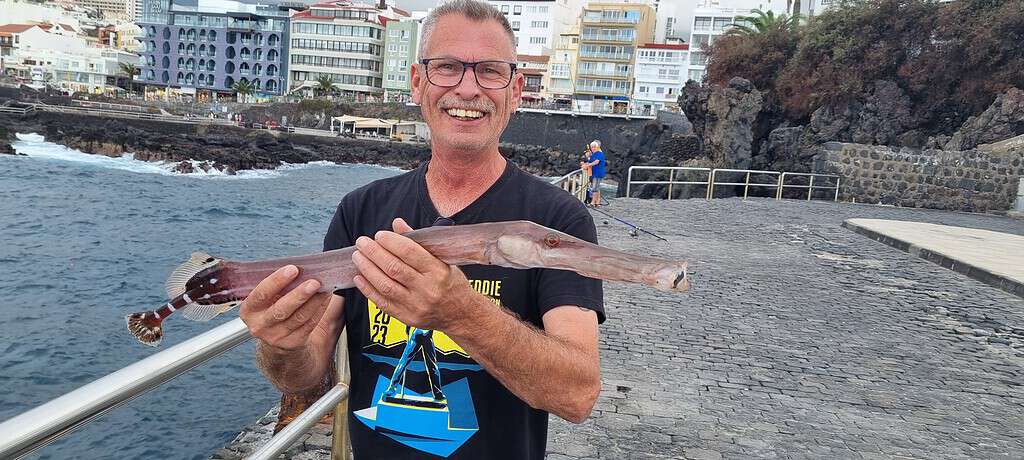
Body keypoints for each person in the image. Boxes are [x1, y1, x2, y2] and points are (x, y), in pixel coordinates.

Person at [239, 1, 604, 458]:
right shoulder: (360, 210)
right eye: (447, 67)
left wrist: (459, 311)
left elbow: (577, 394)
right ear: (418, 82)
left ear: (516, 89)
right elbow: (304, 373)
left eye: (490, 71)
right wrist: (279, 345)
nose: (468, 89)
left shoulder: (558, 221)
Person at [582, 140, 607, 206]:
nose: (592, 148)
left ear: (597, 147)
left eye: (594, 147)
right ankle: (596, 202)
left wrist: (587, 165)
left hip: (598, 173)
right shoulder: (594, 154)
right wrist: (585, 163)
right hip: (594, 173)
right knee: (596, 188)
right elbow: (590, 161)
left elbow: (596, 162)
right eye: (592, 147)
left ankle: (593, 202)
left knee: (595, 188)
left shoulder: (600, 154)